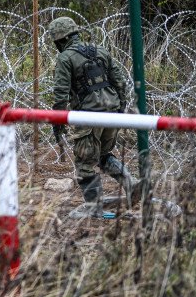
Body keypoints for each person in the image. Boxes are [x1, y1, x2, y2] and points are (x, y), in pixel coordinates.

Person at [48, 16, 140, 215]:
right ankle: (131, 183)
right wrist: (120, 109)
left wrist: (58, 121)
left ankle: (94, 208)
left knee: (84, 162)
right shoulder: (101, 50)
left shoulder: (65, 58)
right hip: (112, 111)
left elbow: (61, 93)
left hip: (89, 115)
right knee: (102, 155)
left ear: (60, 40)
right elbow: (120, 81)